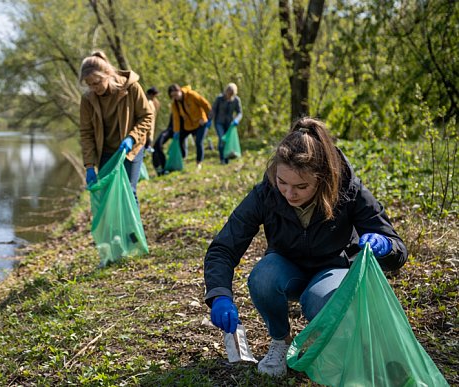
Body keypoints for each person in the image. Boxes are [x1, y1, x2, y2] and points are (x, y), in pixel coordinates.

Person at [203, 117, 408, 377]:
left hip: (333, 269)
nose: (289, 194)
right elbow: (224, 247)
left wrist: (385, 246)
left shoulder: (348, 190)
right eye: (282, 183)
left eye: (301, 186)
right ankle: (280, 340)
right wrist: (219, 295)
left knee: (319, 301)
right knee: (263, 278)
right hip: (287, 268)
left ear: (323, 179)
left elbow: (397, 248)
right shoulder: (265, 194)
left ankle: (328, 344)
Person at [79, 51, 153, 201]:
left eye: (97, 82)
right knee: (108, 196)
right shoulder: (87, 100)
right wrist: (89, 166)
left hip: (130, 149)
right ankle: (113, 226)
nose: (94, 88)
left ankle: (132, 225)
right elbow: (86, 133)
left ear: (107, 73)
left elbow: (147, 116)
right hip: (105, 152)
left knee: (127, 192)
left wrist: (132, 138)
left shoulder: (131, 88)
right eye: (89, 84)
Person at [152, 84, 212, 174]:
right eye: (172, 96)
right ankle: (182, 157)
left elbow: (205, 104)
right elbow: (176, 119)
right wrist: (176, 131)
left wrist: (208, 118)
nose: (175, 97)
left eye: (176, 94)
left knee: (199, 142)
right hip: (188, 125)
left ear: (179, 90)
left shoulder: (191, 95)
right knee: (180, 139)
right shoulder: (175, 104)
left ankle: (199, 163)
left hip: (200, 123)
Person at [210, 83, 243, 164]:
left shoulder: (236, 100)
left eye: (231, 94)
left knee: (227, 140)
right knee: (222, 139)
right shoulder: (219, 99)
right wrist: (209, 120)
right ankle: (222, 159)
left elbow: (240, 113)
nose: (229, 95)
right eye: (228, 93)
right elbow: (213, 110)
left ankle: (226, 158)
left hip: (230, 124)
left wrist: (237, 120)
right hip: (219, 122)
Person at [145, 86, 161, 152]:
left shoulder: (151, 102)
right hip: (146, 129)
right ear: (151, 94)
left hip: (150, 128)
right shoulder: (147, 102)